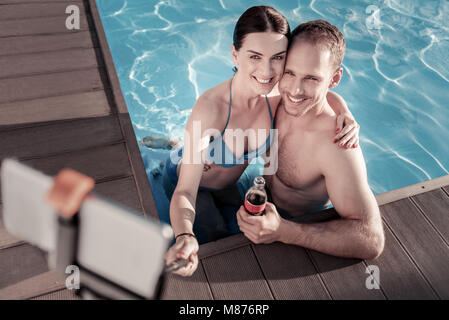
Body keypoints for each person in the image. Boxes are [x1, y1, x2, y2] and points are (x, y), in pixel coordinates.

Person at [164, 7, 360, 277]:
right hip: (192, 183)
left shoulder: (278, 90)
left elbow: (320, 89)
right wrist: (184, 234)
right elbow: (185, 191)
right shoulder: (211, 108)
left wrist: (345, 114)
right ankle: (173, 148)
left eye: (277, 58)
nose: (267, 71)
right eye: (254, 56)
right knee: (218, 238)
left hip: (228, 183)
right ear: (235, 54)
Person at [236, 20, 385, 260]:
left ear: (334, 79)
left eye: (312, 79)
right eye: (290, 73)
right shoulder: (275, 99)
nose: (295, 90)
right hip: (258, 193)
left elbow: (371, 240)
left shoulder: (337, 146)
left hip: (291, 227)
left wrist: (284, 231)